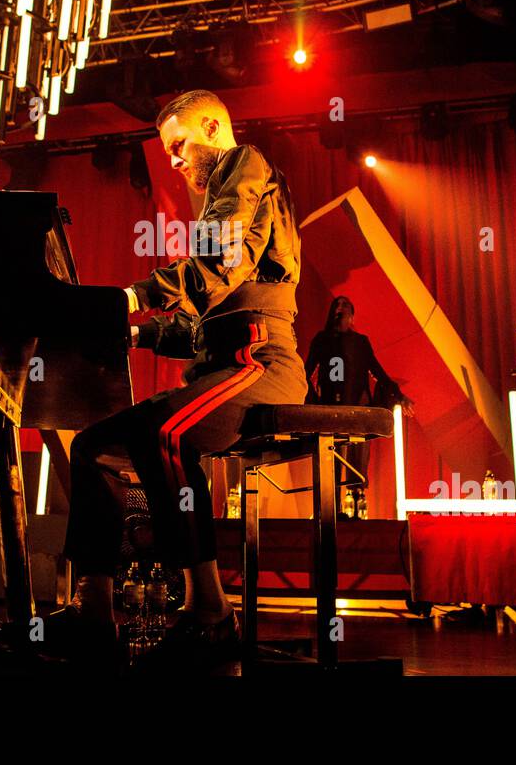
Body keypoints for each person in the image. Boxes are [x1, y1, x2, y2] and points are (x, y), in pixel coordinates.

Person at [48, 89, 306, 669]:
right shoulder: (225, 199)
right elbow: (204, 323)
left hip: (261, 364)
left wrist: (130, 298)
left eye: (180, 145)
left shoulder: (246, 164)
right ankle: (93, 609)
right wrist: (135, 334)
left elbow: (215, 269)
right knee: (93, 446)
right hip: (227, 361)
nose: (174, 160)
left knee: (164, 434)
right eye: (168, 152)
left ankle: (210, 611)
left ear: (214, 127)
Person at [304, 296, 407, 516]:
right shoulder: (322, 340)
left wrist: (398, 394)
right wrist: (312, 401)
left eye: (345, 307)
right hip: (330, 412)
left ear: (352, 316)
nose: (339, 310)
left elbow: (377, 371)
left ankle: (356, 503)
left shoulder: (360, 342)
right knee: (331, 458)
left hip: (357, 412)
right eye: (336, 307)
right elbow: (306, 372)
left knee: (357, 458)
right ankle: (330, 507)